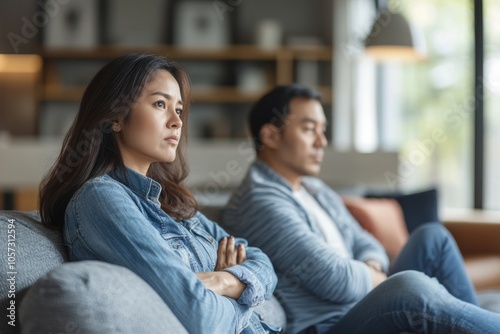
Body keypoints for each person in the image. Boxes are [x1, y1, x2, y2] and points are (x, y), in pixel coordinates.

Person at [221, 84, 500, 334]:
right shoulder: (259, 201)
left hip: (363, 300)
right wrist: (379, 278)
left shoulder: (313, 189)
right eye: (309, 129)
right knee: (409, 287)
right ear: (270, 135)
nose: (322, 142)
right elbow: (334, 278)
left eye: (323, 130)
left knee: (431, 238)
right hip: (330, 324)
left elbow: (365, 240)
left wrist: (371, 267)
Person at [38, 54, 280, 334]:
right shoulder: (101, 199)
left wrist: (223, 281)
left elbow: (263, 262)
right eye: (160, 104)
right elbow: (202, 318)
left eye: (178, 109)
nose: (176, 121)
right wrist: (241, 288)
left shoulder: (171, 202)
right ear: (116, 117)